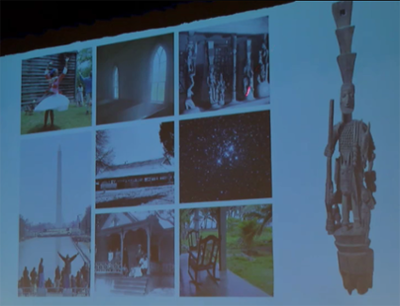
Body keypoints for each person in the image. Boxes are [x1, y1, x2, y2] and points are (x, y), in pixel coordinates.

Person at [34, 57, 70, 128]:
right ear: (54, 73)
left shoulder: (58, 79)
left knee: (51, 110)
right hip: (49, 96)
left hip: (55, 96)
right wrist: (48, 65)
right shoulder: (50, 79)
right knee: (47, 110)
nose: (57, 72)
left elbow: (64, 72)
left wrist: (66, 62)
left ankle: (52, 124)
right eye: (56, 71)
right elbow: (45, 73)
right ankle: (45, 124)